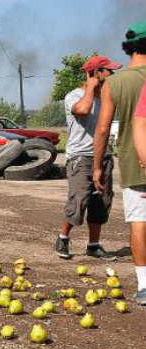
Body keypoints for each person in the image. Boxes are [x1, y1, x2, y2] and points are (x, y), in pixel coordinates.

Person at [94, 20, 146, 306]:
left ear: (128, 47)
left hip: (132, 161)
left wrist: (98, 166)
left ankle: (143, 285)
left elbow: (102, 129)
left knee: (140, 221)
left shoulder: (115, 83)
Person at [54, 55, 122, 261]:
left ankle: (93, 245)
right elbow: (83, 111)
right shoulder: (73, 96)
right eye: (107, 70)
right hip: (80, 157)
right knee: (80, 199)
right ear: (94, 73)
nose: (112, 74)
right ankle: (63, 238)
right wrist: (91, 88)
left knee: (101, 201)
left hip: (104, 155)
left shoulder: (109, 98)